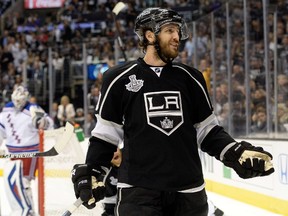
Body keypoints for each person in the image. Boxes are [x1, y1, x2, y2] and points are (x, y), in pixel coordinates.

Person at [71, 8, 274, 216]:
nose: (177, 37)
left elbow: (208, 131)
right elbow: (106, 135)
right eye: (169, 30)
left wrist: (235, 152)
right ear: (149, 35)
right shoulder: (118, 79)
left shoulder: (191, 79)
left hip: (189, 193)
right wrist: (94, 171)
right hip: (138, 192)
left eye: (177, 31)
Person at [0, 85, 53, 215]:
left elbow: (50, 124)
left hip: (30, 152)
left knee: (24, 181)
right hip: (13, 153)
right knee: (15, 182)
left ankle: (28, 210)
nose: (18, 103)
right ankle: (28, 209)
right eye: (16, 100)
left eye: (21, 100)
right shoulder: (6, 109)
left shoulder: (33, 108)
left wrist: (42, 122)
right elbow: (1, 131)